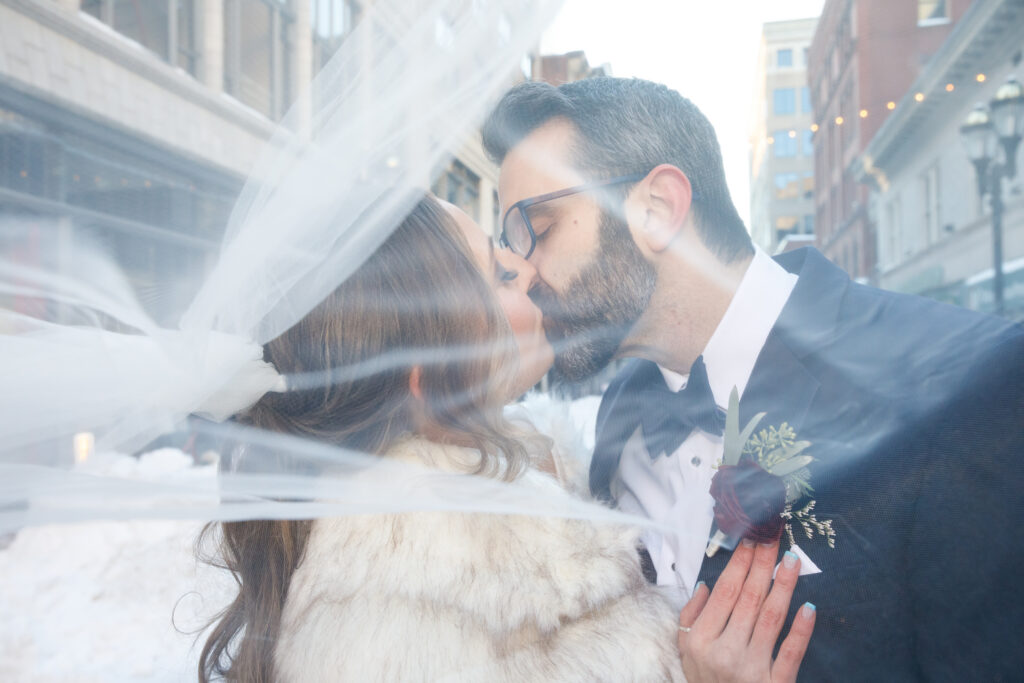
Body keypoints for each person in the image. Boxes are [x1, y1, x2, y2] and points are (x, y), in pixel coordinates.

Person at [482, 77, 1024, 680]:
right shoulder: (618, 412)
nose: (523, 272)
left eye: (540, 228)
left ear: (657, 210)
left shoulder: (961, 384)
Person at [197, 194, 816, 682]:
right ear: (427, 374)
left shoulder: (519, 487)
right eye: (498, 273)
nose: (527, 266)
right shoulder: (397, 616)